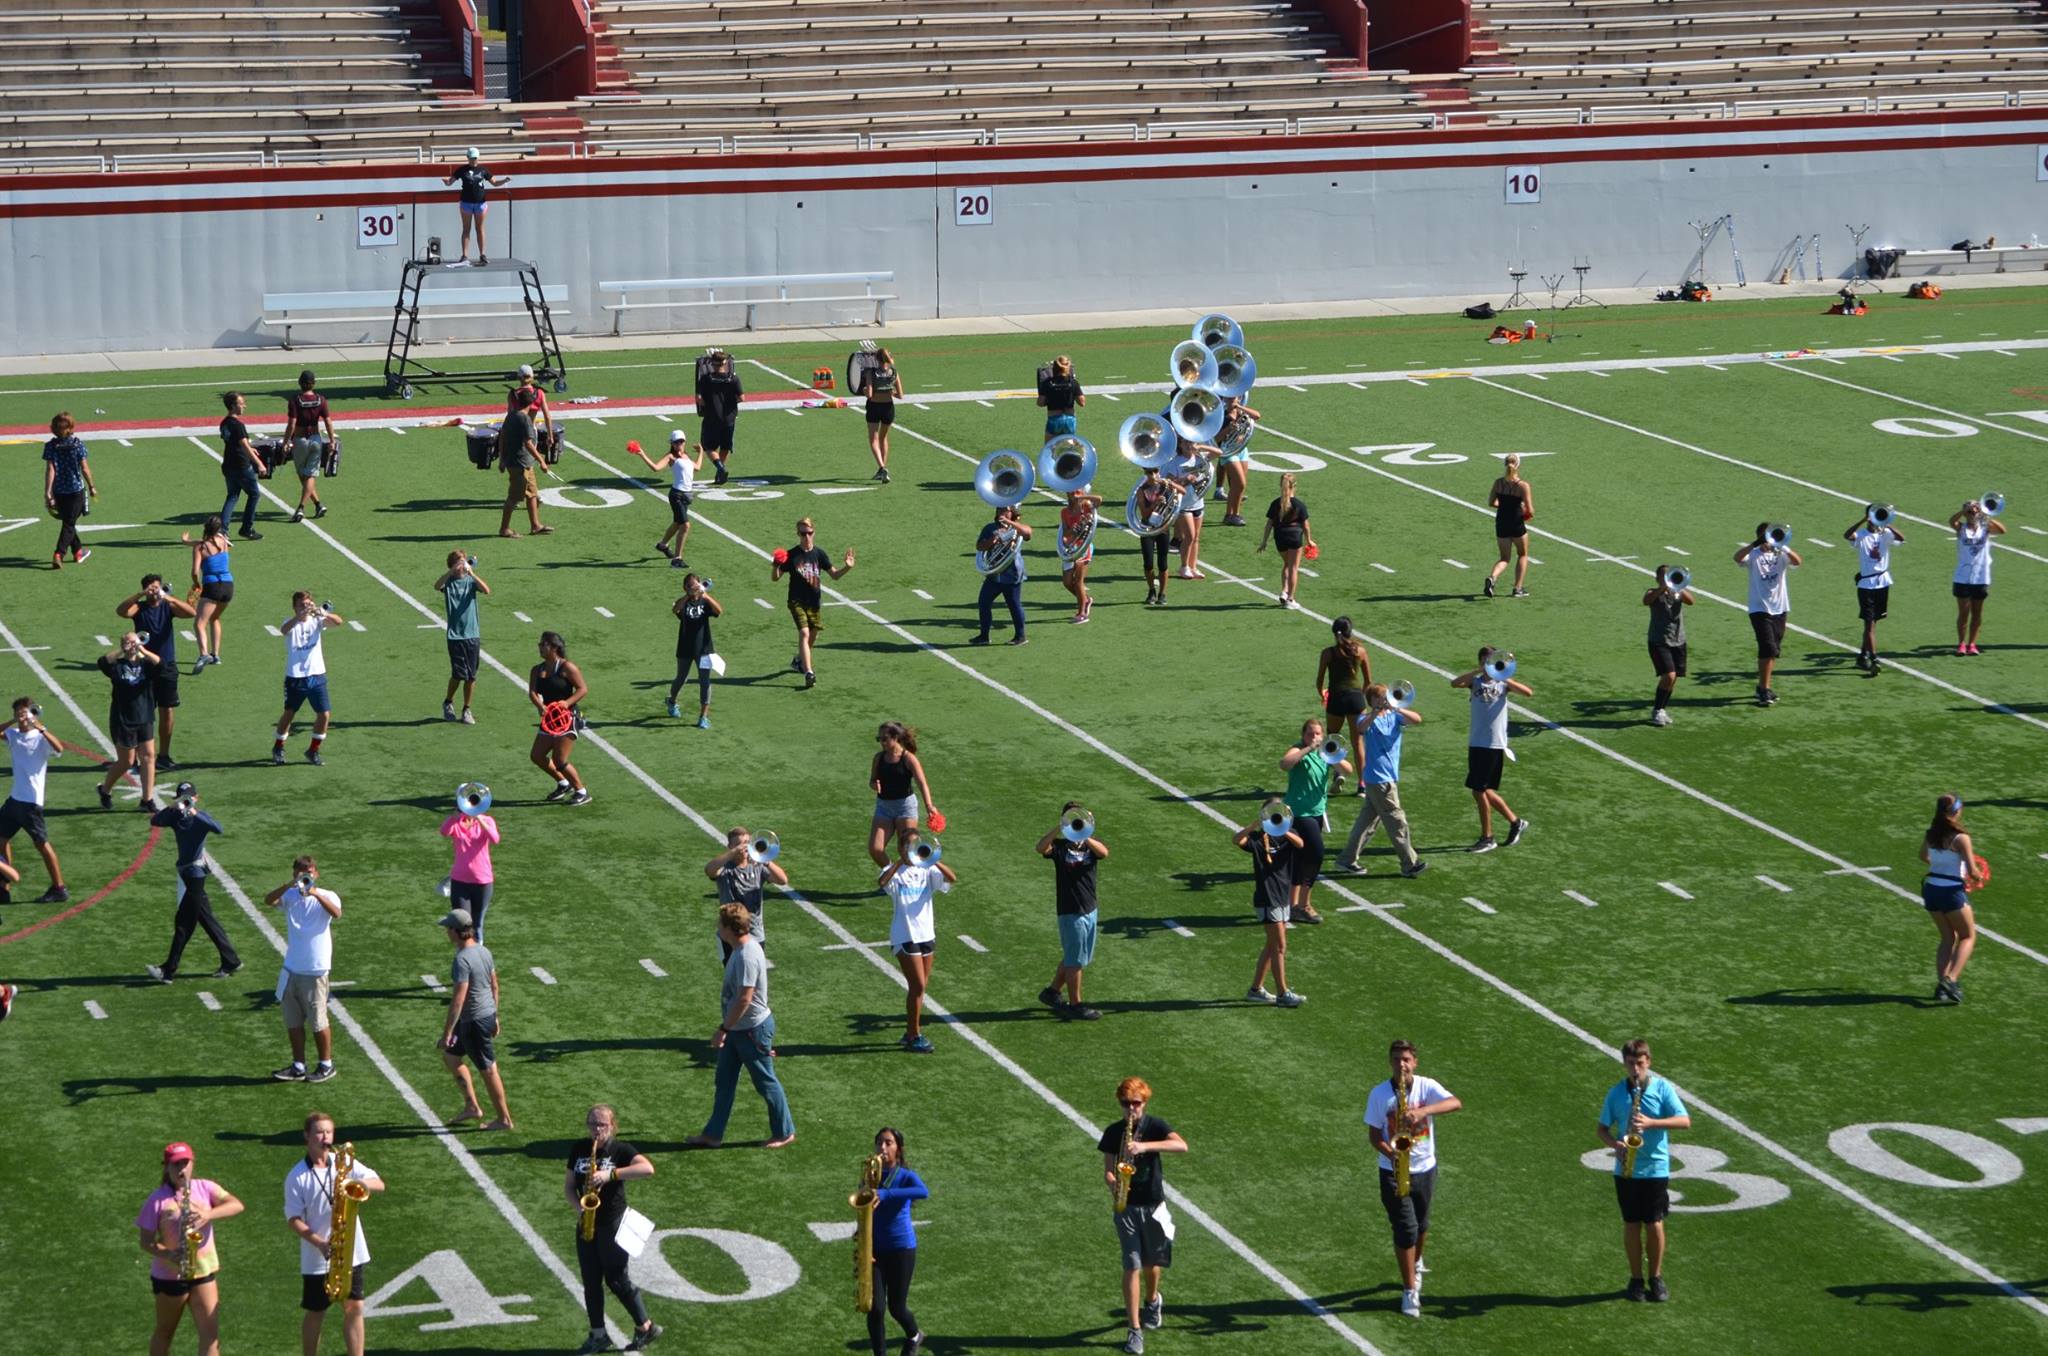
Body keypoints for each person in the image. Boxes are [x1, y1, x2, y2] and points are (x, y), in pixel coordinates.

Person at [1364, 1040, 1463, 1319]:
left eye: (1406, 1059)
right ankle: (1409, 1291)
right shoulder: (1380, 1094)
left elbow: (1455, 1103)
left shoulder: (1426, 1086)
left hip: (1425, 1167)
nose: (1402, 1065)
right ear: (1390, 1062)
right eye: (1396, 1059)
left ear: (1415, 1062)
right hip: (1393, 1171)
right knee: (1406, 1229)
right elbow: (1374, 1135)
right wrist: (1392, 1154)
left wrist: (1422, 1111)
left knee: (1422, 1224)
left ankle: (1416, 1262)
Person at [685, 904, 796, 1149]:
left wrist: (723, 1029)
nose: (717, 927)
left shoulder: (747, 955)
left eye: (720, 923)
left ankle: (784, 1131)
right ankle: (713, 1135)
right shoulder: (740, 949)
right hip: (738, 1028)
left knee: (765, 1082)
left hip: (750, 1030)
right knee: (724, 1081)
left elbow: (745, 999)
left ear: (729, 928)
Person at [1597, 1038, 1692, 1303]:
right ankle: (1636, 1279)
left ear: (1648, 1062)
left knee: (1654, 1223)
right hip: (1626, 1170)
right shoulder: (1616, 1093)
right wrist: (1615, 1145)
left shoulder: (1662, 1088)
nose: (1635, 1069)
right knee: (1631, 1224)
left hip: (1655, 1168)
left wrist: (1651, 1123)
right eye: (1631, 1064)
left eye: (1640, 1063)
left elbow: (1684, 1121)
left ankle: (1656, 1277)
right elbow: (1602, 1129)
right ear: (1624, 1063)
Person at [284, 1112, 386, 1356]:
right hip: (319, 1255)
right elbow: (293, 1220)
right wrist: (319, 1243)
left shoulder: (343, 1162)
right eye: (319, 1132)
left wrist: (353, 1184)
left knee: (354, 1307)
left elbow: (379, 1183)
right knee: (316, 1311)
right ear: (307, 1136)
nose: (325, 1137)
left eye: (329, 1132)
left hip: (351, 1249)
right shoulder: (297, 1176)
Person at [1099, 1077, 1187, 1356]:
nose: (1130, 1109)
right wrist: (1114, 1183)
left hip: (1153, 1206)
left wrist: (1145, 1147)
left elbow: (1181, 1146)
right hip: (1126, 1208)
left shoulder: (1155, 1126)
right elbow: (1108, 1169)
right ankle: (1134, 1329)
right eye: (1125, 1104)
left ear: (1144, 1103)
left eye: (1135, 1104)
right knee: (1132, 1265)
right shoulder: (1114, 1132)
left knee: (1151, 1264)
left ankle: (1152, 1300)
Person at [567, 1105, 663, 1354]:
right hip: (587, 1223)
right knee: (590, 1281)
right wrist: (579, 1209)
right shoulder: (580, 1149)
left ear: (612, 1126)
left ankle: (645, 1326)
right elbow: (569, 1186)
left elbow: (647, 1168)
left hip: (613, 1222)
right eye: (592, 1123)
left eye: (602, 1124)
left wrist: (611, 1175)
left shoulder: (620, 1149)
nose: (596, 1129)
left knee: (616, 1278)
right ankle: (598, 1334)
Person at [138, 1142, 244, 1356]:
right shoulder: (157, 1200)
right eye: (176, 1164)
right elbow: (145, 1241)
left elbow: (237, 1205)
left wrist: (208, 1215)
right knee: (165, 1332)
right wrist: (169, 1254)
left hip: (203, 1271)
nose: (182, 1169)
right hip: (170, 1276)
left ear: (192, 1163)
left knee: (210, 1335)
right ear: (166, 1167)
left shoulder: (205, 1187)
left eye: (185, 1163)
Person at [145, 783, 241, 983]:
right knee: (206, 919)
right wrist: (172, 807)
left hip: (195, 875)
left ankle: (168, 970)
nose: (186, 801)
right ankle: (231, 960)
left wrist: (195, 813)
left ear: (196, 798)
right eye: (182, 798)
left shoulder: (200, 817)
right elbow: (155, 820)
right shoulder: (175, 816)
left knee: (183, 923)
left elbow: (218, 829)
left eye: (189, 797)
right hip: (186, 874)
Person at [264, 856, 341, 1084]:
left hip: (315, 969)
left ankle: (326, 1064)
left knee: (318, 1022)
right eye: (301, 872)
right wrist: (290, 885)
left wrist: (314, 893)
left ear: (316, 873)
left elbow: (336, 913)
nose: (306, 875)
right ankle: (298, 1065)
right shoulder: (289, 895)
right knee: (293, 1021)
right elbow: (268, 900)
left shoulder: (327, 895)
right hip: (291, 968)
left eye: (310, 872)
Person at [880, 831, 958, 1052]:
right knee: (918, 986)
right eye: (909, 845)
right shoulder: (893, 871)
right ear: (901, 847)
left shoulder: (927, 869)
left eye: (916, 844)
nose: (913, 848)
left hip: (927, 934)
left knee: (920, 987)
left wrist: (933, 859)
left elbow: (952, 878)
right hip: (905, 935)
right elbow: (882, 882)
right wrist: (900, 861)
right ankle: (914, 1035)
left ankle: (909, 1033)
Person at [1338, 685, 1427, 878]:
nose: (1384, 700)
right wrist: (1375, 712)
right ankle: (1409, 863)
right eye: (1379, 697)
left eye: (1385, 696)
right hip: (1379, 779)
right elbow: (1361, 728)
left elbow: (1417, 719)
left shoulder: (1394, 716)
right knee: (1397, 821)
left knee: (1366, 823)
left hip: (1385, 778)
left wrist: (1397, 707)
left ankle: (1347, 859)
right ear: (1371, 701)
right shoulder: (1365, 718)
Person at [437, 907, 513, 1129]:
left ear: (456, 931)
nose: (446, 932)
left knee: (489, 1070)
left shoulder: (462, 960)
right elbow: (494, 985)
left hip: (474, 1022)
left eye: (448, 929)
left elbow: (458, 999)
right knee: (451, 1057)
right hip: (484, 1016)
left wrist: (447, 1033)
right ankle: (472, 1106)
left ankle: (504, 1119)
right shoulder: (483, 951)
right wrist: (495, 1016)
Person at [1450, 647, 1531, 853]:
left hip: (1493, 744)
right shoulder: (1475, 682)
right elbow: (1455, 683)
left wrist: (1504, 677)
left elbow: (1528, 692)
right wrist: (1478, 671)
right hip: (1476, 743)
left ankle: (1488, 838)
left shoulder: (1503, 684)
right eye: (1485, 661)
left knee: (1478, 791)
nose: (1489, 664)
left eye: (1491, 660)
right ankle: (1515, 822)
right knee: (1484, 790)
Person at [858, 1127, 929, 1356]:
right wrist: (861, 1236)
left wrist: (886, 1194)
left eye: (888, 1143)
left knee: (897, 1308)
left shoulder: (905, 1176)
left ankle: (914, 1335)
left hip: (901, 1249)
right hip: (875, 1250)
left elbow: (923, 1191)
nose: (883, 1147)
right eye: (879, 1142)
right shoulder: (869, 1177)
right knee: (875, 1308)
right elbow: (863, 1209)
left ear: (898, 1148)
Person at [117, 574, 196, 769]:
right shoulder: (140, 608)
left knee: (167, 710)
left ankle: (164, 755)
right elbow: (121, 611)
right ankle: (135, 757)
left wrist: (167, 597)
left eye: (157, 587)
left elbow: (191, 613)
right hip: (144, 667)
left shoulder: (167, 607)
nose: (155, 591)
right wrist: (140, 594)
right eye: (151, 588)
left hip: (166, 666)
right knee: (141, 713)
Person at [1036, 803, 1106, 1021]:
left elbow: (1104, 853)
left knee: (1076, 957)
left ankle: (1052, 992)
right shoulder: (1059, 847)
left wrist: (1086, 834)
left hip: (1089, 908)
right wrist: (1060, 828)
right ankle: (1076, 1004)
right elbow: (1040, 848)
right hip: (1070, 910)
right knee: (1075, 960)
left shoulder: (1089, 846)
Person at [1279, 718, 1347, 925]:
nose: (1314, 737)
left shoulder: (1325, 753)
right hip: (1299, 814)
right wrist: (1308, 748)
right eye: (1310, 733)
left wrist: (1332, 754)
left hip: (1317, 813)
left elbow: (1348, 770)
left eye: (1318, 734)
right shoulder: (1298, 749)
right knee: (1316, 855)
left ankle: (1293, 906)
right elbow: (1284, 764)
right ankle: (1304, 904)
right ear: (1303, 735)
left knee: (1300, 859)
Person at [772, 517, 853, 690]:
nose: (806, 537)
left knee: (813, 635)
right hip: (796, 601)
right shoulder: (792, 555)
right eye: (803, 534)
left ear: (813, 532)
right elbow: (775, 578)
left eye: (809, 533)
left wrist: (847, 567)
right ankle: (808, 672)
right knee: (804, 633)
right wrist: (775, 566)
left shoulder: (819, 554)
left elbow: (834, 575)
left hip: (814, 602)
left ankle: (799, 660)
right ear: (798, 534)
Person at [1, 698, 69, 904]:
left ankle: (59, 888)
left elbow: (59, 749)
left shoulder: (40, 739)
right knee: (1, 839)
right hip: (14, 800)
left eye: (26, 712)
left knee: (42, 845)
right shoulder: (13, 734)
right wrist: (13, 721)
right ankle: (4, 885)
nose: (23, 716)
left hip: (31, 804)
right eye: (19, 713)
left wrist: (41, 728)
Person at [1235, 808, 1305, 1007]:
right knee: (1279, 946)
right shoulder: (1258, 839)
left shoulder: (1289, 836)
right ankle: (1282, 993)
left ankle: (1256, 989)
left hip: (1282, 897)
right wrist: (1253, 826)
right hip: (1267, 897)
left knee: (1272, 945)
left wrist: (1283, 830)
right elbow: (1237, 840)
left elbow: (1300, 844)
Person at [1919, 794, 1984, 1003]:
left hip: (1931, 889)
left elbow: (1923, 856)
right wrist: (1979, 876)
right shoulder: (1961, 838)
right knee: (1967, 936)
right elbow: (1973, 871)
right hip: (1951, 891)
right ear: (1956, 811)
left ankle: (1941, 987)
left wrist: (1940, 865)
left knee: (1947, 937)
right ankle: (1951, 979)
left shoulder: (1931, 833)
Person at [273, 592, 344, 766]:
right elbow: (284, 630)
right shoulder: (290, 623)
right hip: (296, 678)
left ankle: (313, 750)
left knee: (324, 714)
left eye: (307, 604)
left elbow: (339, 622)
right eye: (301, 605)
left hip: (317, 675)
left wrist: (323, 613)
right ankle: (278, 746)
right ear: (294, 607)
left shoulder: (317, 620)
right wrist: (298, 617)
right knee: (289, 714)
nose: (305, 607)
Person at [1734, 526, 1802, 706]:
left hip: (1780, 608)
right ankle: (1764, 689)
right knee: (1767, 648)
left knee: (1773, 651)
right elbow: (1737, 558)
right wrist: (1754, 544)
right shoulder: (1753, 554)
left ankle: (1763, 687)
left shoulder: (1781, 554)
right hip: (1759, 609)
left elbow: (1797, 561)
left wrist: (1783, 546)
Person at [97, 632, 161, 811]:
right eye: (128, 642)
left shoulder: (146, 664)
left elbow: (160, 664)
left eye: (135, 641)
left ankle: (147, 800)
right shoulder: (117, 666)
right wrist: (121, 650)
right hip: (123, 718)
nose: (132, 644)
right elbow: (102, 662)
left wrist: (143, 650)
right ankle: (105, 790)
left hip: (145, 716)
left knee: (149, 757)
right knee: (126, 762)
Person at [704, 826, 789, 958]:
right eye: (738, 844)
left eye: (746, 843)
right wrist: (733, 853)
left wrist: (765, 861)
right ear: (730, 846)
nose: (744, 847)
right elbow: (709, 870)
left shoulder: (758, 865)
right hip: (731, 936)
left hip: (756, 933)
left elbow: (783, 880)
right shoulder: (725, 868)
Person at [528, 631, 591, 805]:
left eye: (544, 644)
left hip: (567, 718)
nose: (540, 647)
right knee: (537, 755)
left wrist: (566, 703)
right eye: (540, 644)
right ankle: (563, 783)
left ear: (554, 647)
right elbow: (532, 692)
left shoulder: (567, 667)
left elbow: (582, 689)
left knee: (559, 759)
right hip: (550, 719)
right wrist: (540, 706)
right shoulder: (537, 670)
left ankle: (581, 791)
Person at [868, 721, 939, 868]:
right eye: (879, 739)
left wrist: (929, 806)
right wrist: (874, 784)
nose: (881, 742)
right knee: (875, 849)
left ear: (895, 738)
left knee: (907, 851)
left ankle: (913, 877)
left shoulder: (908, 759)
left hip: (905, 808)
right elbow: (872, 780)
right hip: (884, 808)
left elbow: (922, 783)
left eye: (884, 739)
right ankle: (892, 874)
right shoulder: (879, 758)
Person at [628, 429, 702, 565]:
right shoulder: (671, 457)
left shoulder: (686, 456)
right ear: (672, 444)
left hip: (686, 496)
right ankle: (677, 559)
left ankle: (662, 545)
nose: (679, 444)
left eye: (681, 441)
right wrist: (642, 454)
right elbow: (656, 468)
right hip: (677, 495)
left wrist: (700, 452)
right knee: (685, 525)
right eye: (676, 442)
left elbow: (697, 467)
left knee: (677, 523)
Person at [1844, 512, 1905, 673]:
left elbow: (1901, 538)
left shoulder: (1886, 534)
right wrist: (1862, 520)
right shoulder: (1861, 535)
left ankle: (1863, 655)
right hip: (1867, 585)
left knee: (1873, 623)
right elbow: (1847, 535)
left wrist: (1887, 524)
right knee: (1869, 624)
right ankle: (1874, 658)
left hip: (1883, 583)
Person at [434, 551, 489, 724]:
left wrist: (472, 573)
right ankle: (448, 701)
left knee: (471, 676)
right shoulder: (449, 582)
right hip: (455, 635)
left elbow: (486, 590)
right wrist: (451, 571)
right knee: (458, 674)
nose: (463, 565)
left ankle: (466, 709)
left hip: (472, 634)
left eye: (464, 562)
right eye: (459, 562)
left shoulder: (471, 581)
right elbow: (437, 586)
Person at [1315, 616, 1372, 782]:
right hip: (1356, 699)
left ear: (1334, 633)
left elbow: (1319, 681)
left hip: (1336, 698)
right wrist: (1360, 697)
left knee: (1332, 739)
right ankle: (1362, 784)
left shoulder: (1328, 653)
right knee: (1358, 743)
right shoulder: (1361, 651)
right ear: (1350, 632)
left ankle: (1338, 772)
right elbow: (1368, 681)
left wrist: (1322, 694)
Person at [970, 503, 1032, 647]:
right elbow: (979, 546)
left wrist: (1010, 523)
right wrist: (991, 541)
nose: (1002, 513)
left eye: (1005, 510)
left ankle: (1020, 636)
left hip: (1012, 574)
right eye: (999, 510)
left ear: (1012, 512)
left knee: (1014, 605)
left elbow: (1028, 533)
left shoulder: (1016, 529)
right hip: (994, 574)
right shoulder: (990, 528)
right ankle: (984, 636)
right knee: (983, 602)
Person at [439, 795, 500, 940]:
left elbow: (495, 839)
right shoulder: (456, 823)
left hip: (482, 880)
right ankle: (463, 949)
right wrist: (453, 817)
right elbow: (444, 831)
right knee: (461, 923)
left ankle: (477, 949)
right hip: (460, 880)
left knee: (477, 924)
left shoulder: (487, 820)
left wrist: (479, 818)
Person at [1948, 497, 2004, 655]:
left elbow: (2002, 530)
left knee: (1977, 613)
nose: (1973, 513)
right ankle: (1961, 643)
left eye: (1975, 510)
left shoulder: (1985, 528)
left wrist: (1986, 516)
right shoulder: (1961, 528)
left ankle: (1972, 644)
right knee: (1963, 613)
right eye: (1970, 511)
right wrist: (1963, 511)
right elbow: (1951, 521)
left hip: (1981, 576)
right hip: (1962, 576)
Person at [667, 573, 723, 727]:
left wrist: (705, 595)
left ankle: (703, 716)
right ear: (685, 587)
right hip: (685, 647)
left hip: (704, 649)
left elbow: (719, 611)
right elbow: (675, 610)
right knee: (681, 678)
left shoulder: (705, 601)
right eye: (690, 586)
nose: (693, 588)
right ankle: (672, 701)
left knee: (705, 681)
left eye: (695, 585)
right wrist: (688, 595)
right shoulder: (683, 602)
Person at [43, 411, 97, 568]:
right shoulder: (78, 445)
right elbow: (85, 468)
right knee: (69, 524)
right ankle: (59, 554)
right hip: (75, 490)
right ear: (71, 427)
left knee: (68, 522)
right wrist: (92, 486)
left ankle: (78, 551)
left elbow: (50, 470)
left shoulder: (50, 446)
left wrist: (48, 491)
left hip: (59, 490)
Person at [181, 521, 235, 673]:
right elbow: (206, 542)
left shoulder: (200, 547)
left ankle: (204, 654)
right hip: (228, 586)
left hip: (212, 586)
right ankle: (215, 655)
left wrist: (196, 584)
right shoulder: (223, 540)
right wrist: (187, 542)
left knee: (199, 623)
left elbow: (194, 571)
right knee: (215, 618)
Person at [497, 389, 552, 539]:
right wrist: (542, 461)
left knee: (532, 494)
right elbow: (528, 443)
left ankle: (535, 525)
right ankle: (504, 529)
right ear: (531, 403)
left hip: (524, 463)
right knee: (513, 498)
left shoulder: (511, 415)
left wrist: (502, 459)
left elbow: (502, 437)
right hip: (519, 464)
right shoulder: (525, 419)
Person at [1644, 566, 1694, 727]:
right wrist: (1663, 588)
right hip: (1659, 640)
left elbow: (1691, 601)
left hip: (1678, 639)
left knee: (1673, 679)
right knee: (1669, 676)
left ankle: (1661, 709)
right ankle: (1657, 710)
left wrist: (1678, 587)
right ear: (1657, 578)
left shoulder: (1677, 592)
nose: (1667, 578)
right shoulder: (1653, 592)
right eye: (1663, 576)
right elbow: (1646, 601)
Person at [442, 147, 509, 265]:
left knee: (480, 228)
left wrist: (504, 180)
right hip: (466, 203)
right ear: (468, 158)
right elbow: (450, 182)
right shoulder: (462, 170)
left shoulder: (483, 170)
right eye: (471, 158)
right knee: (466, 229)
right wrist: (446, 182)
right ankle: (464, 255)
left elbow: (494, 183)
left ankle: (482, 255)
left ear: (478, 158)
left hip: (480, 204)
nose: (473, 160)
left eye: (475, 158)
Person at [1167, 437, 1220, 581]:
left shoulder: (1200, 458)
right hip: (1183, 504)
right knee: (1189, 536)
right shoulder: (1176, 462)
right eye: (1185, 442)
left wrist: (1202, 448)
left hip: (1198, 502)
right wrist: (1184, 480)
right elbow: (1169, 483)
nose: (1188, 445)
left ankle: (1193, 566)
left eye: (1191, 442)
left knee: (1196, 537)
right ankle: (1184, 566)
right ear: (1180, 445)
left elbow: (1219, 453)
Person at [1257, 472, 1313, 608]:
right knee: (1293, 567)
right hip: (1294, 537)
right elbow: (1305, 525)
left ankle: (1284, 591)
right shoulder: (1299, 505)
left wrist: (1264, 542)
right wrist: (1309, 540)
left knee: (1287, 564)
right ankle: (1290, 599)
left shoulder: (1276, 503)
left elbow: (1269, 524)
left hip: (1279, 536)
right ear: (1294, 486)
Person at [283, 371, 332, 524]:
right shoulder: (321, 399)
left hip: (300, 440)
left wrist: (285, 441)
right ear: (314, 383)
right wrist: (332, 440)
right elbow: (328, 421)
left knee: (304, 475)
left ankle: (301, 507)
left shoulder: (295, 400)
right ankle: (318, 505)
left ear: (300, 383)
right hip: (316, 439)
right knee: (309, 474)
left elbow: (292, 424)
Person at [1483, 453, 1533, 598]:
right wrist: (1523, 510)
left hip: (1501, 523)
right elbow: (1530, 510)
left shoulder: (1498, 483)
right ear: (1518, 465)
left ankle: (1492, 578)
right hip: (1516, 524)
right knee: (1522, 554)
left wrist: (1504, 506)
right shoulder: (1523, 485)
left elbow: (1492, 503)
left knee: (1504, 558)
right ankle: (1518, 588)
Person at [217, 392, 266, 539]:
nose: (244, 405)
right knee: (254, 494)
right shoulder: (238, 425)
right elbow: (243, 444)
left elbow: (235, 442)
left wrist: (250, 448)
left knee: (232, 496)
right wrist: (259, 463)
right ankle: (246, 528)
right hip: (241, 465)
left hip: (228, 464)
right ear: (233, 406)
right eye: (241, 403)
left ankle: (222, 530)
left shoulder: (224, 423)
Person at [696, 349, 743, 485]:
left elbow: (699, 399)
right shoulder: (734, 378)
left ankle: (720, 468)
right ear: (725, 363)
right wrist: (730, 404)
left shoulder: (706, 379)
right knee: (725, 446)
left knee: (708, 447)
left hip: (712, 417)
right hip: (729, 418)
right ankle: (719, 473)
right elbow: (741, 398)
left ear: (712, 364)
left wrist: (709, 405)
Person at [1057, 487, 1103, 624]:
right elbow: (1065, 534)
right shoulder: (1064, 512)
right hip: (1071, 547)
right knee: (1067, 582)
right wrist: (1072, 530)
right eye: (1071, 493)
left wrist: (1082, 498)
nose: (1073, 495)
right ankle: (1086, 600)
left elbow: (1099, 499)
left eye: (1076, 492)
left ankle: (1082, 612)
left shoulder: (1087, 507)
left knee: (1078, 581)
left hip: (1084, 547)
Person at [1215, 393, 1262, 526]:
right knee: (1240, 483)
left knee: (1238, 486)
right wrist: (1228, 429)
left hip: (1241, 450)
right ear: (1224, 399)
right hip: (1228, 452)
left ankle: (1230, 514)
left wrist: (1240, 407)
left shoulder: (1242, 413)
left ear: (1239, 398)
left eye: (1234, 398)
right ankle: (1234, 515)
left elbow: (1257, 415)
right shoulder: (1221, 416)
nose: (1231, 400)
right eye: (1228, 398)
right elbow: (1215, 440)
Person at [1134, 466, 1176, 607]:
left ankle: (1162, 593)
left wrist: (1171, 484)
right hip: (1147, 529)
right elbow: (1145, 514)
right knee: (1148, 563)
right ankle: (1151, 590)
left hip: (1163, 527)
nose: (1153, 475)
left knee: (1162, 563)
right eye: (1149, 472)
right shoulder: (1142, 490)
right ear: (1145, 473)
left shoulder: (1165, 486)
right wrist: (1155, 503)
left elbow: (1182, 492)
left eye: (1155, 471)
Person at [862, 347, 903, 482]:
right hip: (888, 408)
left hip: (874, 407)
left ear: (876, 359)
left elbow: (869, 394)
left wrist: (864, 390)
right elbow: (900, 395)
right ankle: (882, 470)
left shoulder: (871, 372)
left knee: (873, 439)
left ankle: (882, 467)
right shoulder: (894, 372)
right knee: (883, 438)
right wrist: (890, 392)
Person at [512, 364, 556, 455]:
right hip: (531, 431)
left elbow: (510, 415)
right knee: (530, 459)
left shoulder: (513, 394)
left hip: (516, 431)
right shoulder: (539, 393)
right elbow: (547, 416)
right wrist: (550, 435)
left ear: (519, 377)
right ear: (532, 377)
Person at [1039, 354, 1085, 439]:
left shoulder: (1048, 383)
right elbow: (1082, 403)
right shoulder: (1073, 382)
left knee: (1050, 445)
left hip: (1054, 418)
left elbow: (1040, 403)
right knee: (1069, 444)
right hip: (1069, 419)